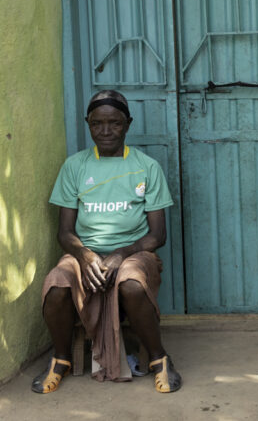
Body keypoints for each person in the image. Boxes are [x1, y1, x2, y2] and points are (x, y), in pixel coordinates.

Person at [32, 90, 181, 394]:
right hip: (84, 253)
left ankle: (159, 359)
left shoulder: (146, 167)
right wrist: (85, 256)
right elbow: (65, 232)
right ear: (88, 124)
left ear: (128, 124)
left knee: (132, 284)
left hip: (134, 253)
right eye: (97, 123)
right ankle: (60, 359)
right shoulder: (74, 166)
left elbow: (158, 235)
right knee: (56, 285)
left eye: (114, 123)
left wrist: (121, 254)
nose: (105, 131)